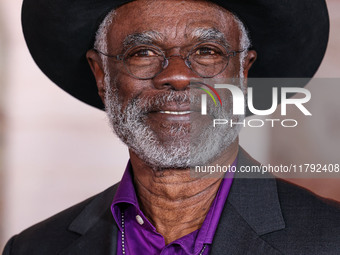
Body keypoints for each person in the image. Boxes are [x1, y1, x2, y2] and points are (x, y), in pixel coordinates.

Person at [3, 0, 340, 254]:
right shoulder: (34, 248)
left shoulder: (332, 237)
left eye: (207, 51)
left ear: (243, 73)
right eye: (143, 51)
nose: (178, 76)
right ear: (102, 75)